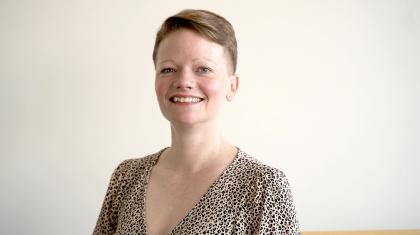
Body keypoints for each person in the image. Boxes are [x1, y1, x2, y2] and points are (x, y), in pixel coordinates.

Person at [93, 9, 299, 235]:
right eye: (169, 69)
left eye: (204, 69)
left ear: (232, 86)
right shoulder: (126, 177)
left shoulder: (263, 187)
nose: (184, 81)